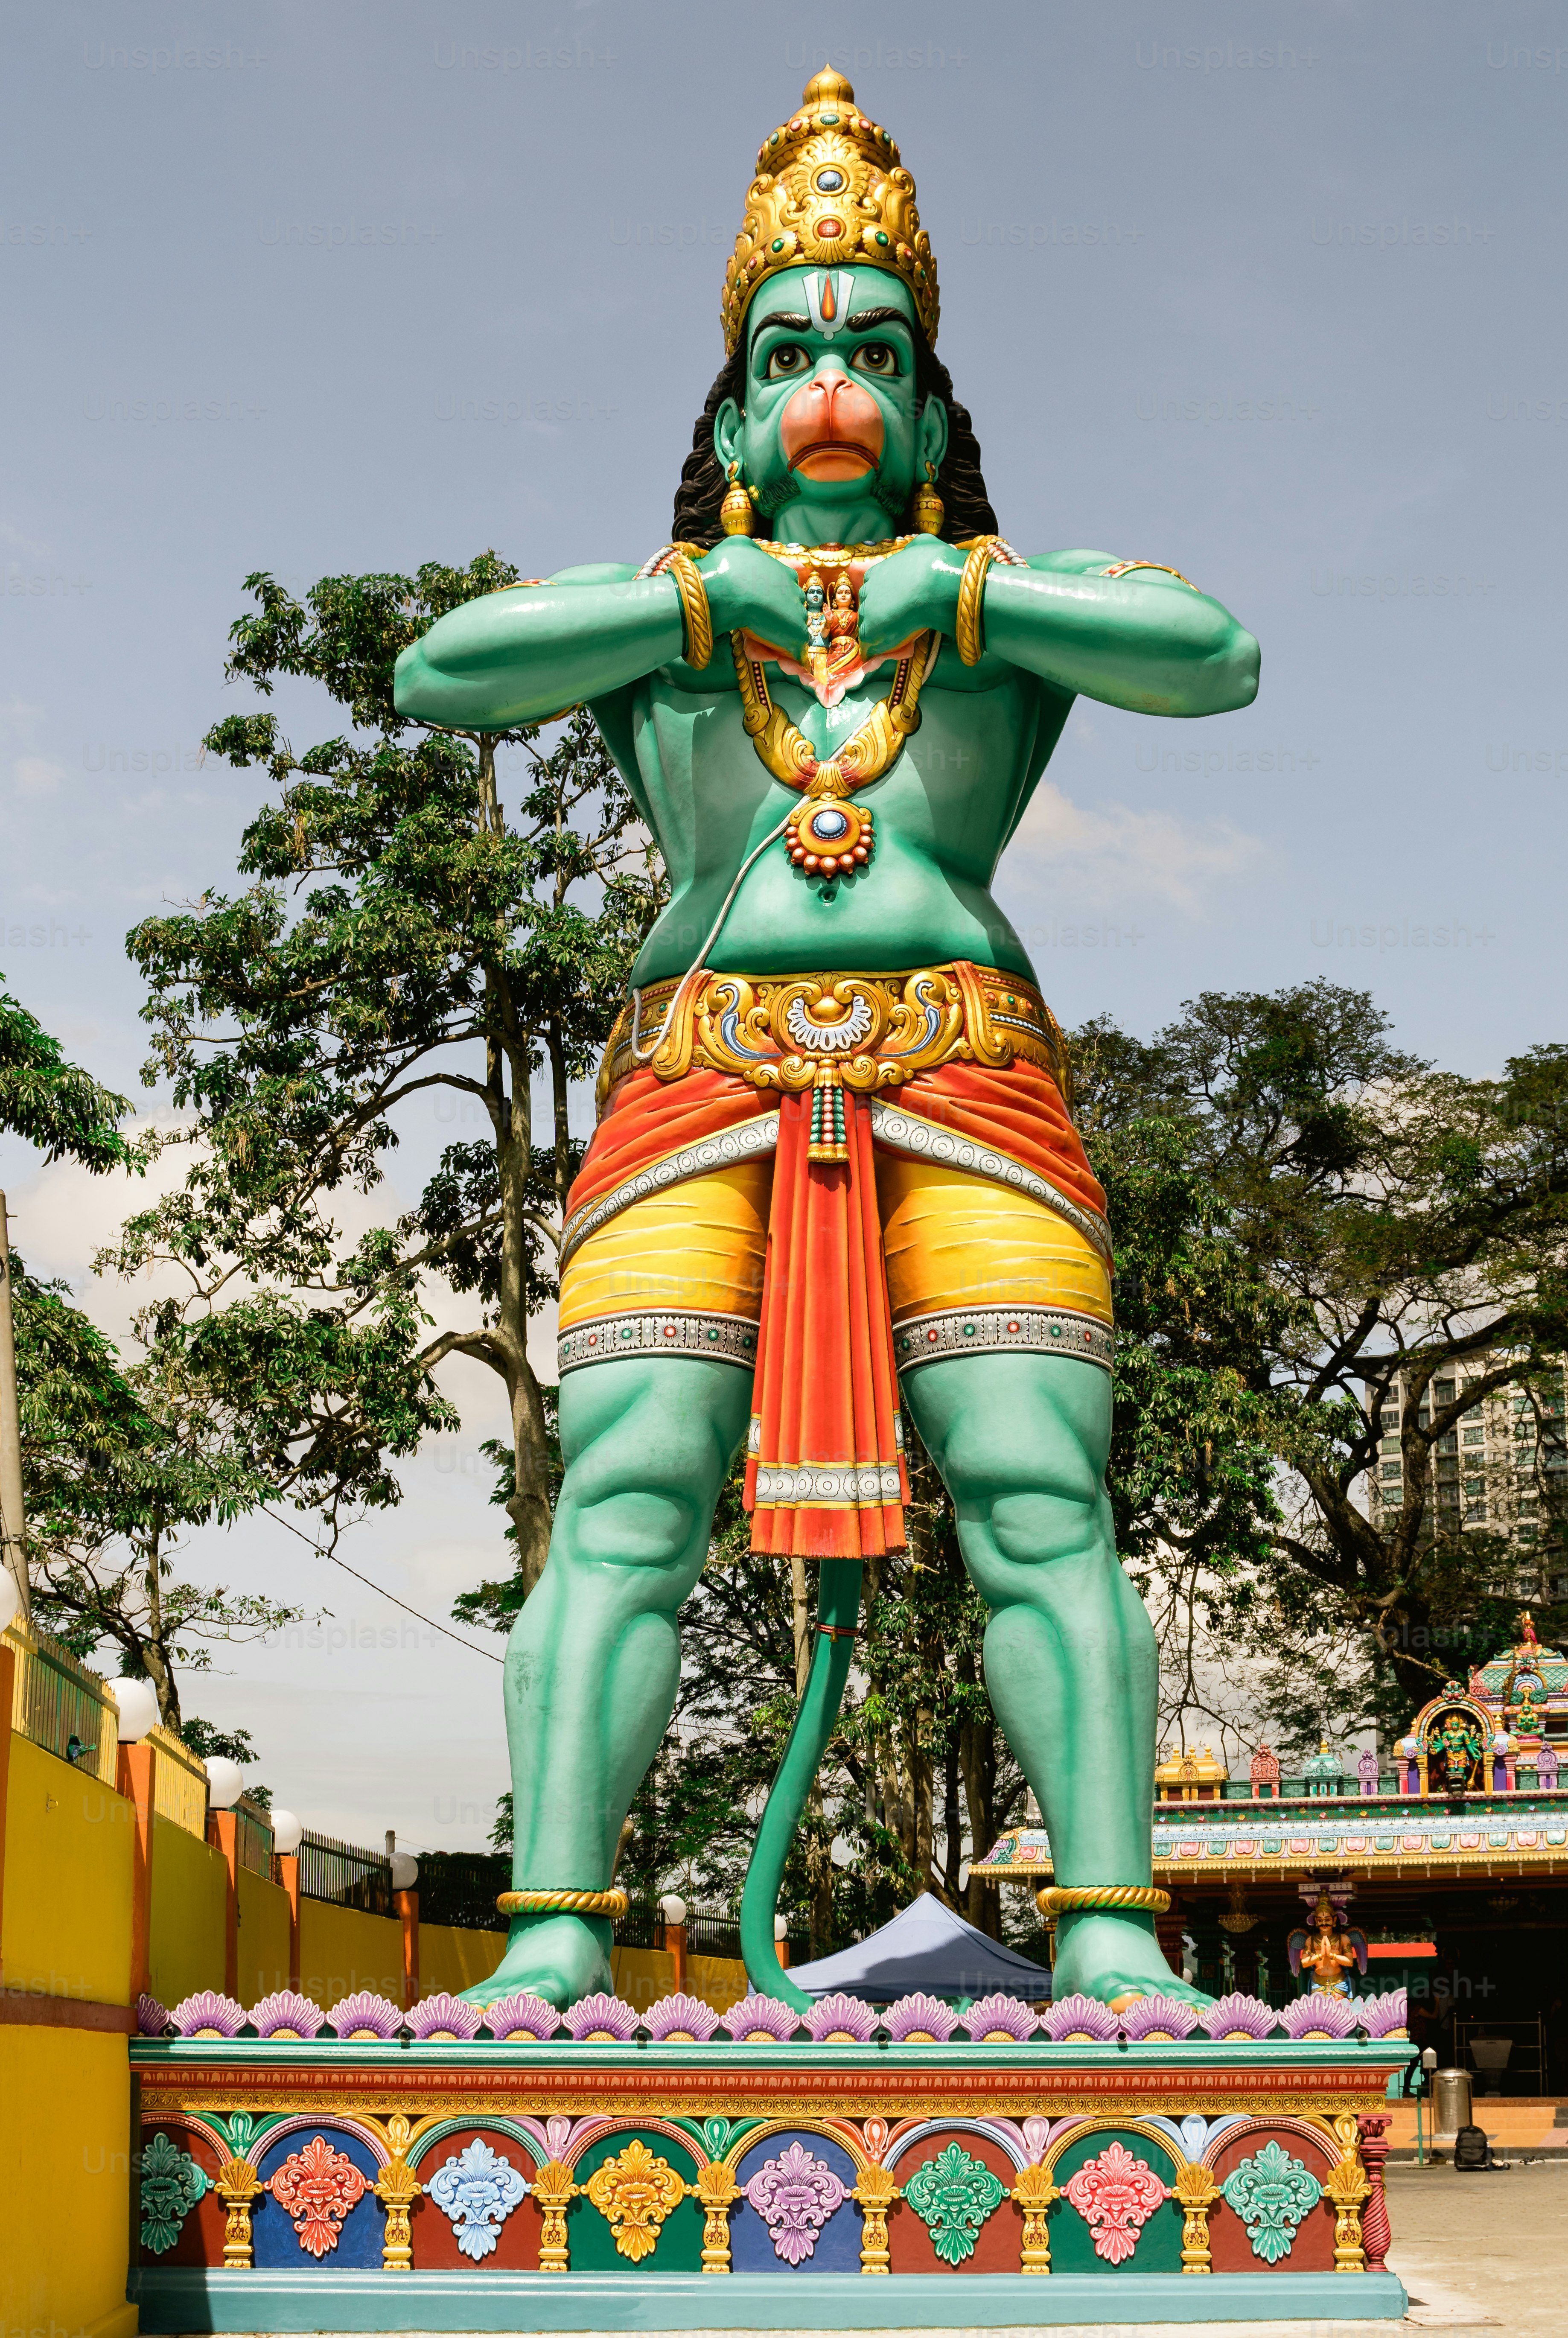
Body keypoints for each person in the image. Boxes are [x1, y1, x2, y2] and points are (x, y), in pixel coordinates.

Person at [395, 68, 1260, 2010]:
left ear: (940, 415)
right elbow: (437, 670)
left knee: (1039, 1489)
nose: (833, 385)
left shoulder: (1011, 614)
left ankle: (1112, 1927)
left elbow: (1215, 652)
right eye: (788, 351)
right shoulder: (664, 610)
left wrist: (958, 586)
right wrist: (711, 593)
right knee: (625, 1487)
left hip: (966, 1067)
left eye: (877, 349)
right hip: (700, 1067)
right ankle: (553, 1943)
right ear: (725, 423)